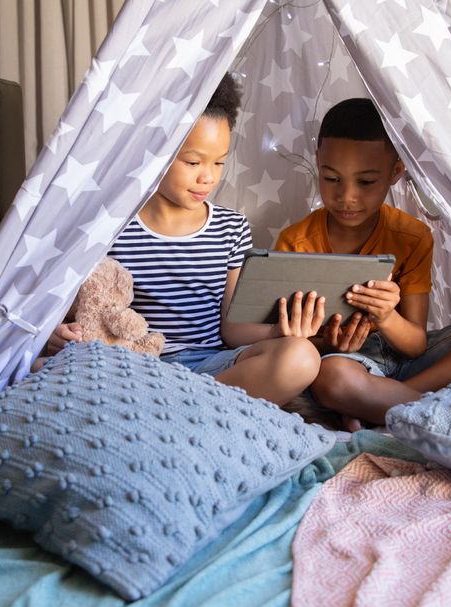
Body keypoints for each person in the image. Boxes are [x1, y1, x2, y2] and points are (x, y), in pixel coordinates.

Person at [43, 74, 324, 406]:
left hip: (213, 367)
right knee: (47, 371)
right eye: (193, 162)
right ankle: (183, 407)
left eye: (219, 162)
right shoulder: (111, 227)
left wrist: (280, 332)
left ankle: (175, 406)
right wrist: (55, 334)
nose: (208, 177)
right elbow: (75, 310)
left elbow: (232, 331)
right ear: (156, 152)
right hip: (135, 365)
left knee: (302, 357)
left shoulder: (231, 228)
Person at [276, 98, 451, 429]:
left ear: (395, 172)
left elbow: (415, 344)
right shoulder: (296, 242)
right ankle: (433, 416)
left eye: (366, 182)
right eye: (332, 179)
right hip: (346, 362)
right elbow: (292, 344)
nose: (347, 196)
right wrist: (329, 343)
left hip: (410, 362)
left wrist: (387, 317)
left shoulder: (412, 236)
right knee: (334, 379)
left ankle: (390, 402)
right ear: (318, 163)